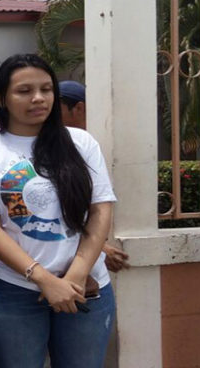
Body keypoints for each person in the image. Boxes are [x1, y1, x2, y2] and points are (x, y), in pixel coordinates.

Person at [0, 54, 117, 368]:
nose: (38, 99)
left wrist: (76, 274)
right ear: (2, 98)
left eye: (46, 89)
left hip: (86, 290)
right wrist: (43, 279)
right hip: (14, 292)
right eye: (25, 91)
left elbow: (100, 211)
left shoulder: (80, 142)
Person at [59, 80, 130, 273]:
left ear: (78, 108)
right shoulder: (49, 148)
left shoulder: (89, 145)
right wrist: (101, 249)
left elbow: (99, 205)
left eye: (56, 107)